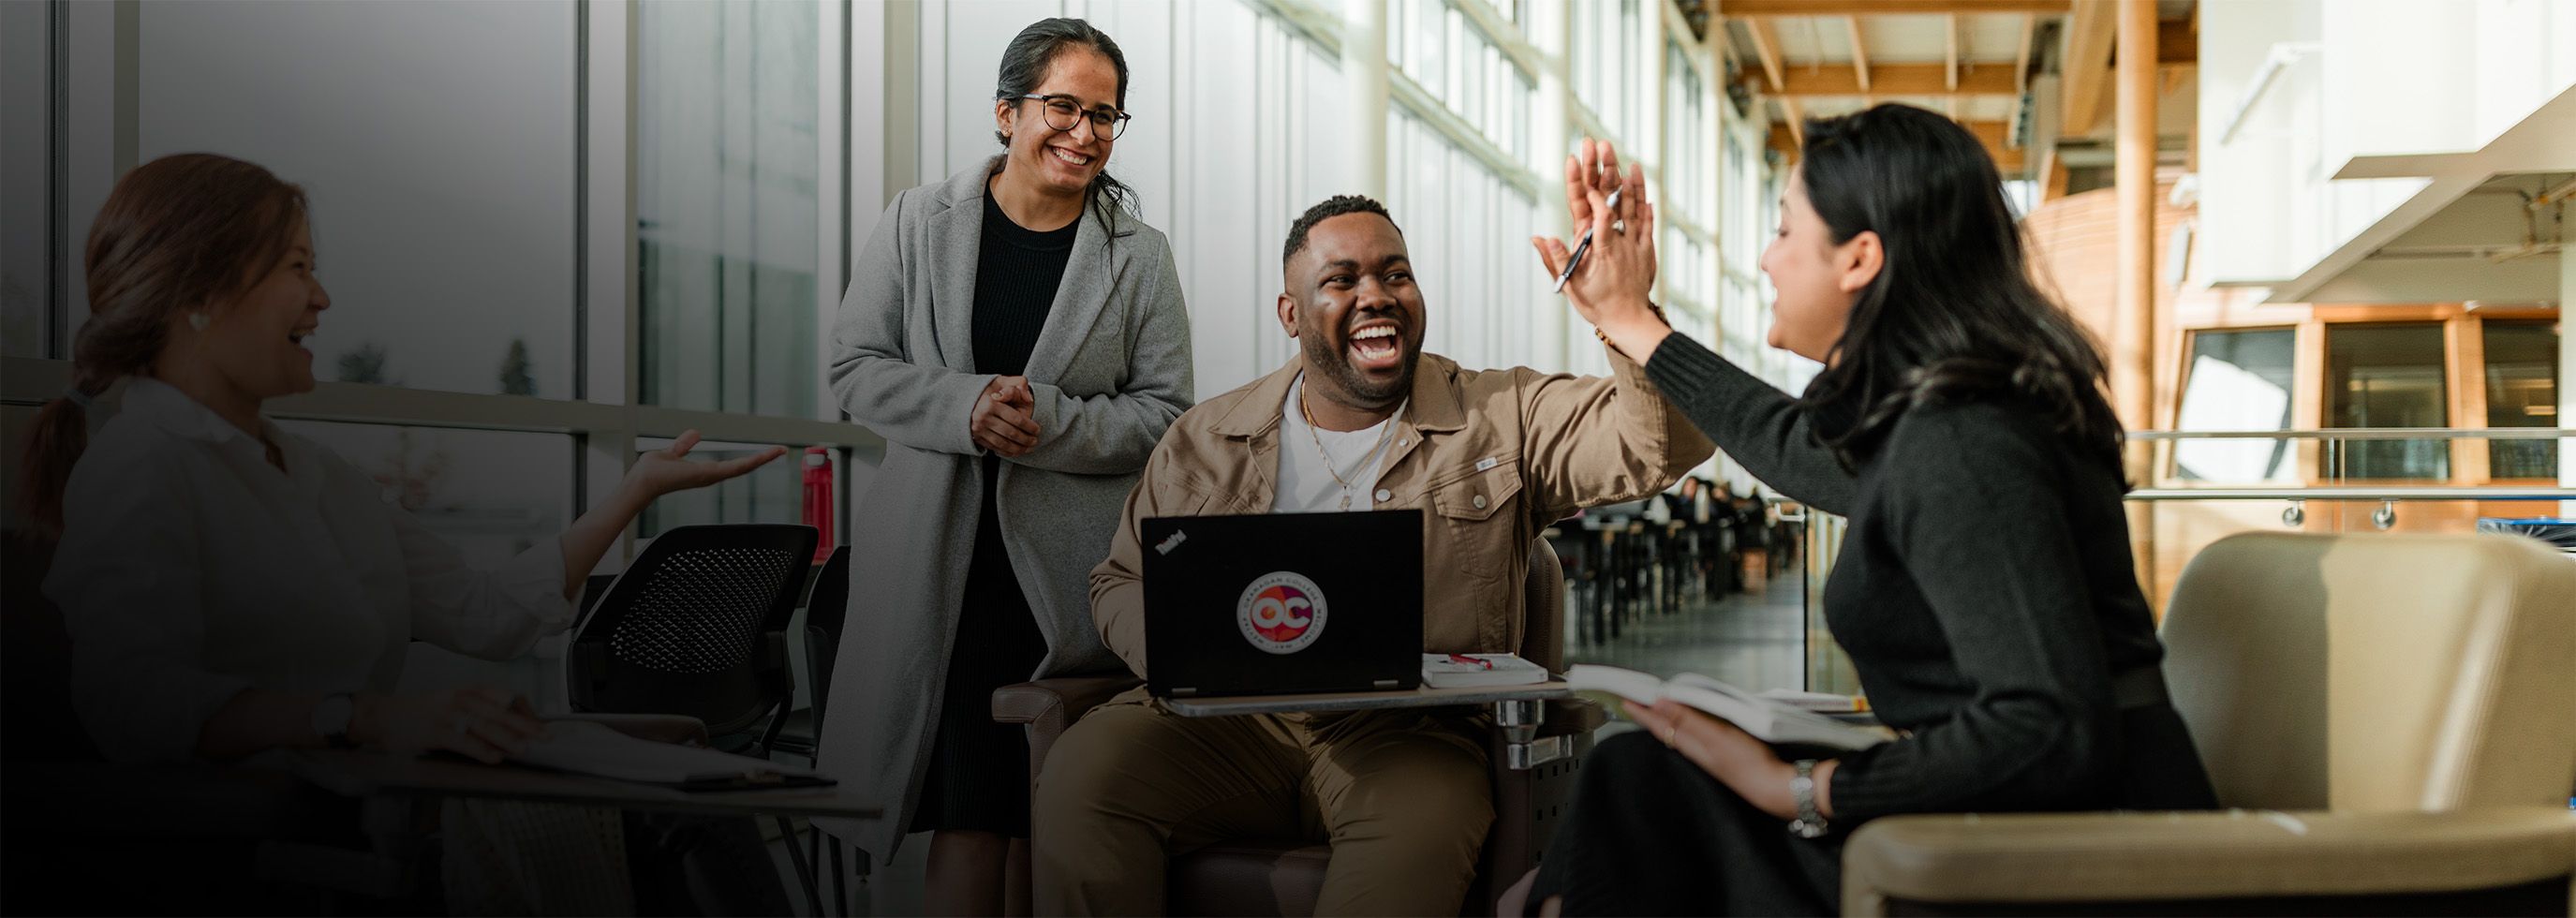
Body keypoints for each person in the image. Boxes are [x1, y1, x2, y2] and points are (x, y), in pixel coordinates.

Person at [22, 152, 789, 912]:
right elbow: (136, 706)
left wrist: (635, 490)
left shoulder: (320, 476)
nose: (321, 297)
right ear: (199, 293)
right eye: (296, 267)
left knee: (695, 797)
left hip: (378, 811)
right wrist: (363, 719)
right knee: (666, 826)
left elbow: (488, 616)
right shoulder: (139, 468)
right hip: (280, 846)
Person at [1511, 113, 2220, 915]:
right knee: (1636, 781)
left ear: (1860, 258)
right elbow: (1795, 444)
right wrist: (1630, 319)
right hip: (2027, 819)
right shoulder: (1936, 422)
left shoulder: (1963, 445)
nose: (1766, 258)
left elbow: (2048, 728)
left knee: (1638, 796)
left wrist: (1803, 787)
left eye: (1785, 229)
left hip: (2076, 853)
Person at [1029, 193, 1713, 915]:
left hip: (1407, 736)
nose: (1376, 296)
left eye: (1396, 274)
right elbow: (1122, 579)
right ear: (1292, 314)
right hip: (1226, 727)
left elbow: (1663, 445)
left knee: (1420, 827)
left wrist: (1628, 319)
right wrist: (1187, 660)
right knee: (1086, 774)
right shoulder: (1207, 438)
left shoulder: (1500, 417)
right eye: (1341, 279)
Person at [816, 17, 1192, 915]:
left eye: (1104, 115)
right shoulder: (918, 221)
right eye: (1063, 107)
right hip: (937, 568)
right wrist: (965, 408)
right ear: (1006, 111)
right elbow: (855, 370)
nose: (1084, 132)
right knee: (970, 817)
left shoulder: (1139, 256)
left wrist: (1048, 423)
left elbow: (1166, 415)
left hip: (1062, 577)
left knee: (1045, 814)